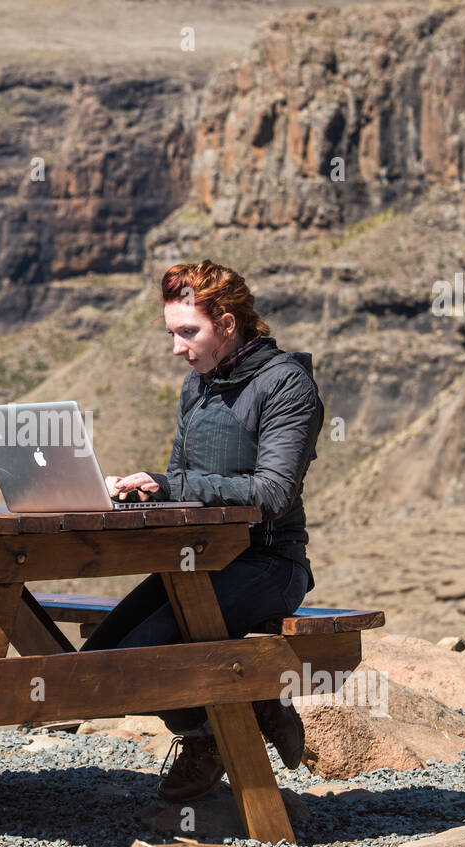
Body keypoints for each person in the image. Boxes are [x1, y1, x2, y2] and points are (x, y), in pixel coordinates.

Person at [83, 259, 324, 803]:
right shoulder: (198, 386)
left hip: (268, 564)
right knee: (98, 657)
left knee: (144, 660)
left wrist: (169, 483)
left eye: (187, 332)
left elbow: (272, 494)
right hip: (199, 563)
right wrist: (141, 492)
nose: (176, 347)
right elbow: (184, 482)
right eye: (172, 333)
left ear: (229, 323)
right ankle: (241, 706)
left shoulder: (287, 385)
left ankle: (217, 729)